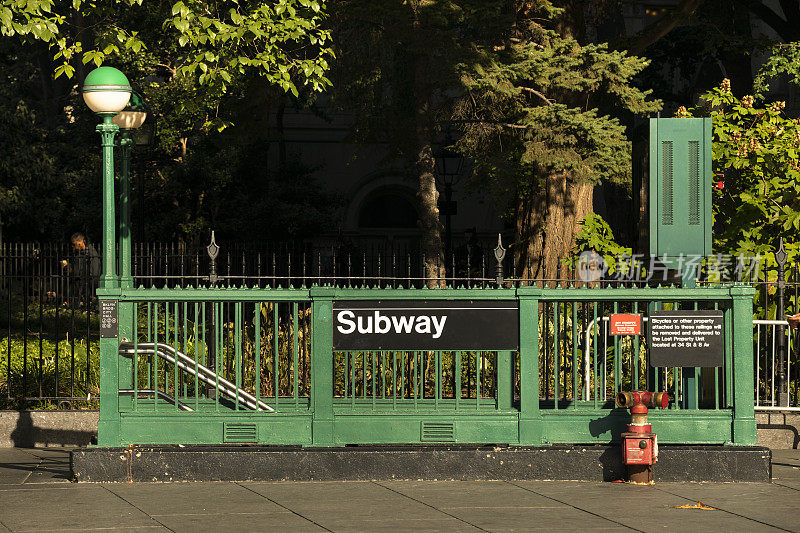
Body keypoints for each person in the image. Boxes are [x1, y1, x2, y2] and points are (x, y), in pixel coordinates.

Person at [67, 233, 101, 305]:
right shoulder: (79, 253)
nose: (73, 246)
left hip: (88, 285)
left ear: (82, 242)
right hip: (81, 285)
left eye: (74, 244)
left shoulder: (91, 252)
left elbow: (95, 272)